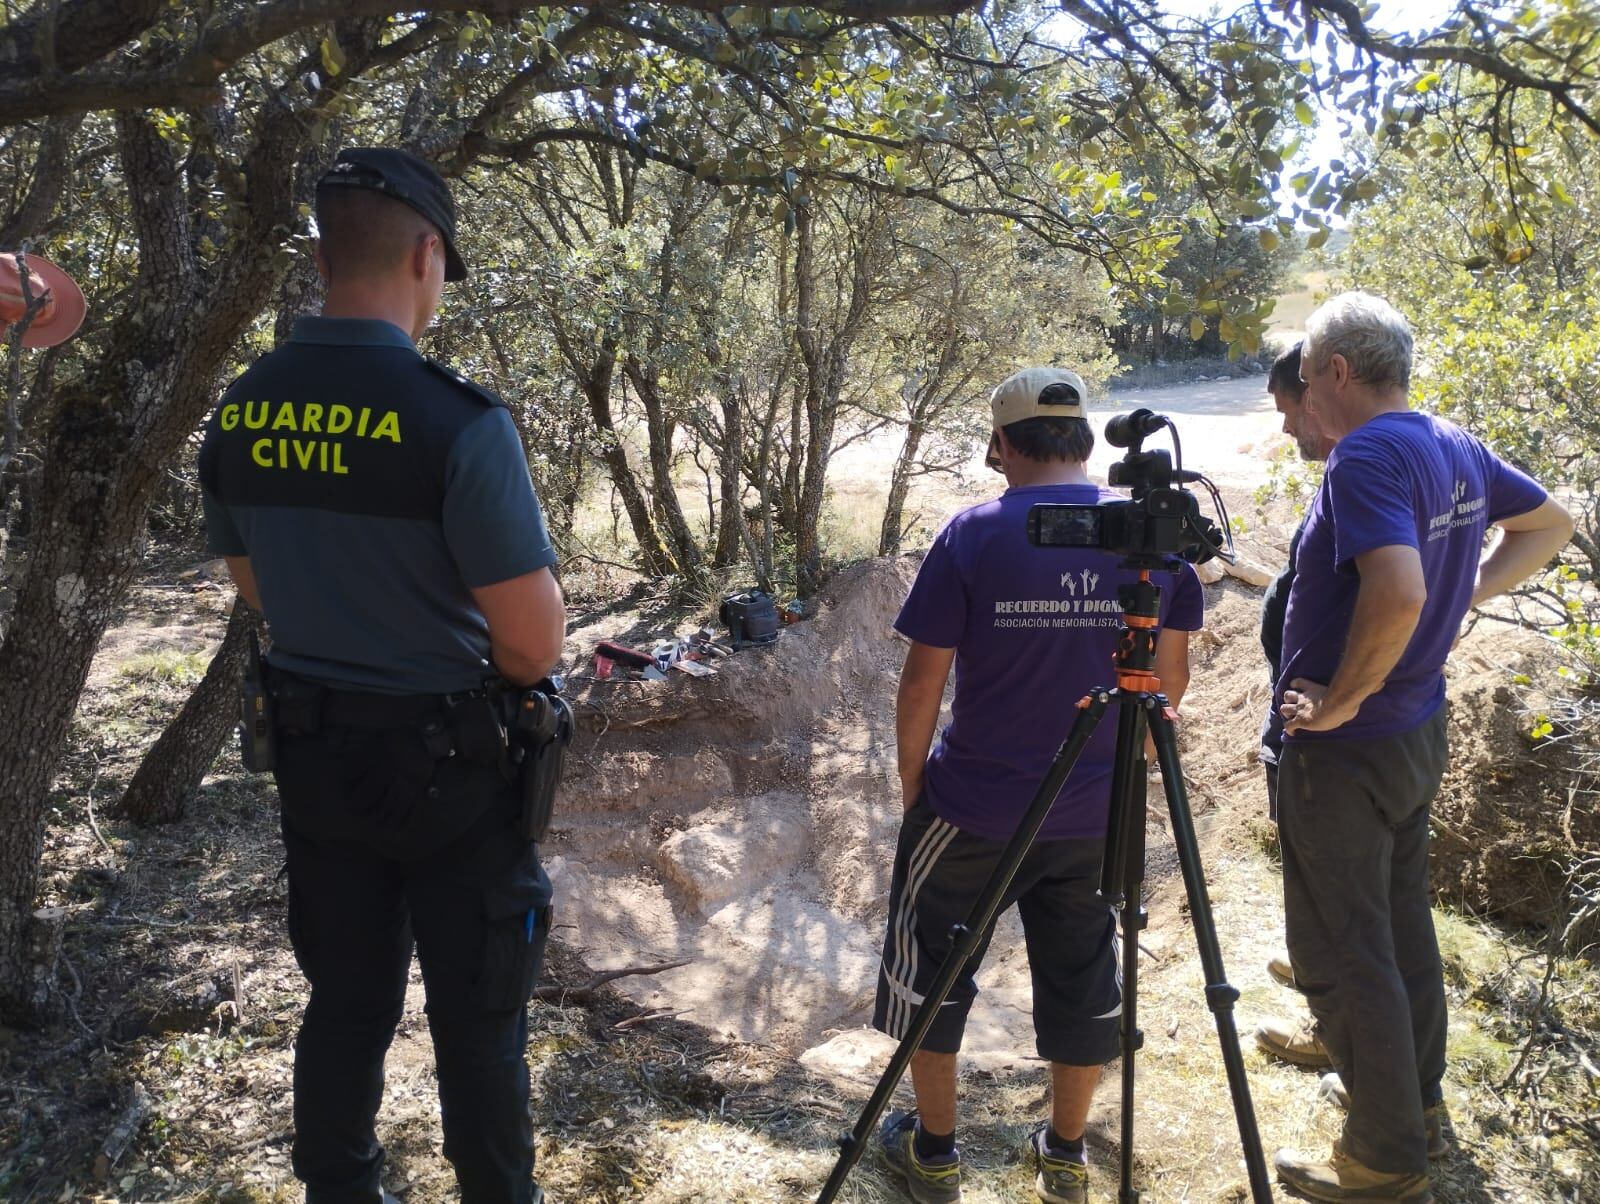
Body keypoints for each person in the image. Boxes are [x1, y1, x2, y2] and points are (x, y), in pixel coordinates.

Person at [198, 148, 565, 1204]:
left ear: (320, 253)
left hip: (316, 766)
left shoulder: (244, 406)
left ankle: (341, 1188)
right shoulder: (456, 418)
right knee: (480, 1020)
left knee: (346, 1002)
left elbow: (257, 587)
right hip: (457, 777)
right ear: (425, 253)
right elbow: (532, 647)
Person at [1265, 292, 1572, 1202]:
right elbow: (1550, 525)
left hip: (1354, 747)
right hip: (1414, 730)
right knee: (1398, 928)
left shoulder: (1367, 452)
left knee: (1342, 947)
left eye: (1310, 374)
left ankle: (1383, 1157)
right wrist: (1462, 595)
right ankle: (1414, 1105)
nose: (1307, 395)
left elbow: (1396, 593)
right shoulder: (1448, 439)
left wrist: (1340, 699)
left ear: (1337, 371)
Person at [871, 367, 1204, 1204]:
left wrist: (915, 787)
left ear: (1004, 445)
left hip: (973, 806)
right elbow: (1167, 683)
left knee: (933, 971)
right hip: (1097, 811)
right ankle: (1065, 1153)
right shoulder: (1152, 535)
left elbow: (921, 684)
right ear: (1086, 443)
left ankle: (936, 1156)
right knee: (1083, 975)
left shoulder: (973, 533)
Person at [1253, 341, 1340, 1062]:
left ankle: (1331, 1021)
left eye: (1289, 407)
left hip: (1327, 729)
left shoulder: (1368, 471)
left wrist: (1345, 694)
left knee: (1329, 884)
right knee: (1307, 870)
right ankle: (1317, 974)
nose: (1286, 429)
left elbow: (1401, 595)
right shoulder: (1353, 471)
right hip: (1302, 717)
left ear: (1321, 390)